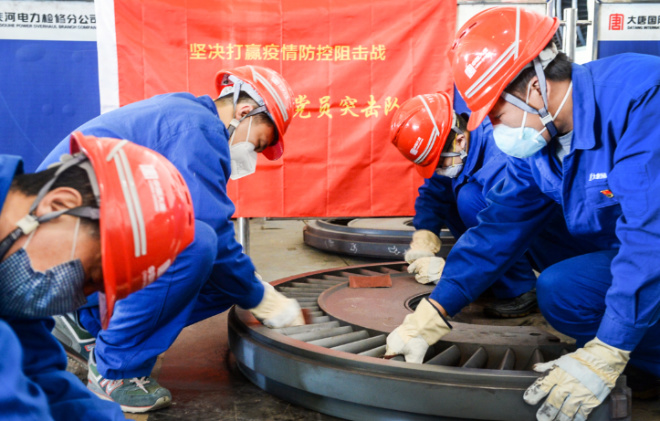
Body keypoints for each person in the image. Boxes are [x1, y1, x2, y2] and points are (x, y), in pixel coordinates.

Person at [386, 6, 660, 421]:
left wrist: (608, 348)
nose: (496, 130)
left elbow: (649, 235)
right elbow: (500, 226)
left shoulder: (642, 98)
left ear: (534, 87)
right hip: (630, 247)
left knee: (592, 303)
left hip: (652, 242)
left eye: (496, 115)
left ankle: (628, 352)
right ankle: (643, 360)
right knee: (562, 291)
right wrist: (434, 312)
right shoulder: (538, 143)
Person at [39, 65, 304, 413]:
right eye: (257, 144)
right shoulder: (196, 127)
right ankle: (113, 371)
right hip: (53, 247)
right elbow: (204, 224)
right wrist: (261, 297)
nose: (251, 157)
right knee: (195, 245)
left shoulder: (188, 119)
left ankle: (87, 323)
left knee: (224, 276)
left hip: (72, 243)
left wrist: (248, 287)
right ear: (245, 112)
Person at [0, 132, 195, 420]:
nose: (73, 298)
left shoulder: (11, 286)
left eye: (94, 290)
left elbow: (42, 379)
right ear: (59, 205)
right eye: (91, 273)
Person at [392, 90, 539, 317]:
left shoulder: (500, 155)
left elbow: (501, 227)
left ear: (460, 139)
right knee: (455, 196)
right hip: (505, 223)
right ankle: (494, 277)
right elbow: (434, 191)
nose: (439, 169)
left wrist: (457, 273)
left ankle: (522, 290)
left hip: (534, 229)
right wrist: (424, 234)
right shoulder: (454, 146)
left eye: (439, 163)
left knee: (469, 199)